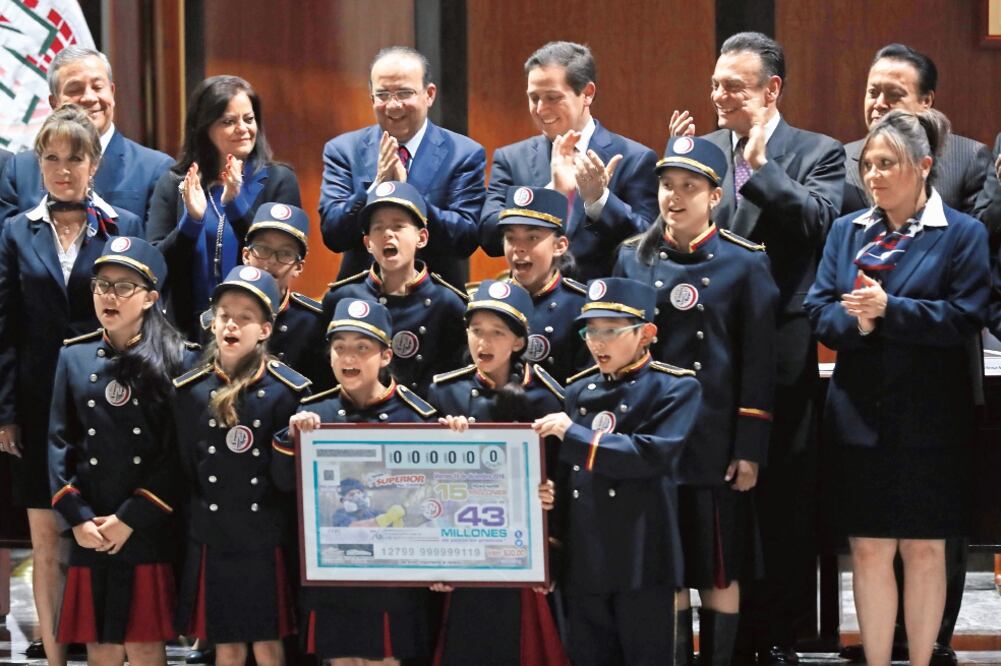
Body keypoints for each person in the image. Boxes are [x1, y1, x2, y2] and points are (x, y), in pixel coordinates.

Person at [668, 31, 844, 662]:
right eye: (715, 84)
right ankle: (716, 640)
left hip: (782, 344)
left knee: (781, 493)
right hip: (707, 349)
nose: (719, 96)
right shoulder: (701, 150)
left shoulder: (818, 151)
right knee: (714, 494)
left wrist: (765, 171)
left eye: (733, 87)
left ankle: (780, 633)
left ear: (772, 90)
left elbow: (820, 223)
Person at [804, 109, 989, 666]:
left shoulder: (962, 233)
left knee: (926, 548)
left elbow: (966, 314)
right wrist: (859, 323)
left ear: (925, 166)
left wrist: (891, 311)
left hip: (933, 417)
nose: (874, 175)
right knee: (868, 547)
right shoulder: (846, 230)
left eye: (888, 164)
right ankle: (878, 660)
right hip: (859, 414)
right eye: (868, 165)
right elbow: (818, 309)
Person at [615, 136, 778, 665]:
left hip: (713, 442)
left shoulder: (743, 262)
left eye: (690, 187)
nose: (675, 198)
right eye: (667, 186)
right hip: (652, 438)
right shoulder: (631, 256)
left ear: (715, 195)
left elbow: (758, 363)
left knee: (717, 567)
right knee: (669, 571)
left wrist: (749, 447)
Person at [0, 104, 142, 665]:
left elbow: (139, 322)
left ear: (95, 162)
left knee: (109, 539)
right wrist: (6, 412)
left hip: (108, 404)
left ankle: (115, 653)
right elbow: (5, 329)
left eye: (75, 157)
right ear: (39, 163)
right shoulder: (15, 231)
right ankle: (56, 659)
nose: (63, 169)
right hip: (37, 408)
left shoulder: (123, 226)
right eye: (52, 158)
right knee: (47, 544)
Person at [533, 277, 702, 665]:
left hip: (642, 554)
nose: (597, 343)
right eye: (590, 331)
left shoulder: (675, 388)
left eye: (610, 331)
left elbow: (648, 455)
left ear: (646, 334)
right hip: (586, 557)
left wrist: (573, 434)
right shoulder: (577, 391)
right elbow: (566, 475)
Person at [48, 236, 197, 665]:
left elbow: (175, 452)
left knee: (145, 642)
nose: (109, 296)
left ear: (151, 297)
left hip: (144, 521)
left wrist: (129, 519)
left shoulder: (177, 360)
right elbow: (59, 442)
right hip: (90, 521)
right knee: (100, 643)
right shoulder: (74, 357)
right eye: (102, 284)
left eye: (123, 287)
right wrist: (77, 519)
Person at [274, 298, 439, 664]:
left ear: (385, 356)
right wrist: (290, 438)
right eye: (340, 348)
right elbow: (284, 485)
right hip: (333, 577)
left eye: (362, 348)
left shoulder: (417, 418)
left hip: (392, 581)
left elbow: (430, 503)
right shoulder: (313, 414)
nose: (349, 358)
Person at [172, 266, 310, 666]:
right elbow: (186, 466)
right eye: (224, 315)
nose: (232, 324)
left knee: (268, 643)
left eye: (245, 317)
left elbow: (289, 481)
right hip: (213, 534)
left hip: (265, 536)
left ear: (265, 330)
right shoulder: (191, 390)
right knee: (227, 645)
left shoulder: (288, 392)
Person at [427, 279, 568, 665]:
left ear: (519, 342)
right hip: (461, 550)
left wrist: (550, 494)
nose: (483, 343)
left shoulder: (548, 397)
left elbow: (563, 478)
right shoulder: (444, 394)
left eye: (497, 333)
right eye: (476, 331)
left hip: (522, 556)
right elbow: (421, 482)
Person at [480, 41, 659, 281]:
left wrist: (599, 201)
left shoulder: (634, 158)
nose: (541, 109)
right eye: (534, 98)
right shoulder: (511, 158)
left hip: (602, 306)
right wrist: (552, 193)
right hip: (533, 307)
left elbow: (649, 243)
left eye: (553, 98)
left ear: (587, 94)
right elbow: (488, 237)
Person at [147, 75, 301, 340]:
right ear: (204, 128)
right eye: (229, 121)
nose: (243, 128)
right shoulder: (175, 183)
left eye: (249, 119)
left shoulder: (278, 180)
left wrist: (236, 206)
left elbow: (278, 258)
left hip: (256, 331)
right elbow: (154, 268)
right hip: (184, 335)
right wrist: (191, 223)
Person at [319, 46, 485, 287]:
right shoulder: (343, 150)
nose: (393, 105)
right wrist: (376, 188)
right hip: (361, 301)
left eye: (405, 93)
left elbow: (465, 239)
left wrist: (408, 195)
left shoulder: (463, 153)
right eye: (383, 95)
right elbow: (333, 235)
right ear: (371, 98)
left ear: (429, 94)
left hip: (437, 303)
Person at [0, 46, 172, 227]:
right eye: (75, 89)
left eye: (98, 87)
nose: (89, 98)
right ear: (54, 102)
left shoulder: (154, 169)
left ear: (112, 93)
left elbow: (156, 250)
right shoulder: (20, 170)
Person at [323, 181, 468, 394]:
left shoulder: (448, 302)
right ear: (367, 242)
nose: (387, 234)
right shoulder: (342, 298)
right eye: (378, 227)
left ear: (422, 237)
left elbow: (458, 382)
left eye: (398, 226)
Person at [842, 44, 990, 218]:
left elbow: (982, 234)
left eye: (894, 94)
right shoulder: (842, 158)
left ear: (926, 101)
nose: (879, 103)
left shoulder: (968, 157)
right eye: (873, 93)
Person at [198, 202, 329, 386]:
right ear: (246, 255)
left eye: (285, 253)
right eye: (263, 249)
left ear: (299, 267)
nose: (270, 262)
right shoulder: (212, 321)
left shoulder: (314, 322)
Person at [496, 186, 589, 383]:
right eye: (510, 238)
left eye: (532, 238)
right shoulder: (490, 302)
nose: (518, 248)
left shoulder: (581, 307)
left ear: (559, 246)